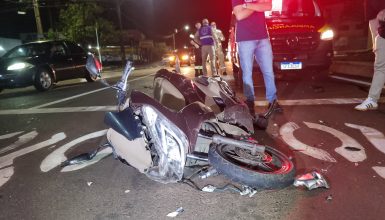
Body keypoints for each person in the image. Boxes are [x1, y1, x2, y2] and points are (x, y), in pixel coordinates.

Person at [231, 0, 278, 115]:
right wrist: (258, 5)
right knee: (247, 73)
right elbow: (239, 15)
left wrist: (247, 5)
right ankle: (250, 101)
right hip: (245, 39)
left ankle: (273, 101)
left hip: (262, 37)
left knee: (268, 72)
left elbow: (268, 6)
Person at [355, 9, 385, 111]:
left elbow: (374, 17)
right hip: (382, 34)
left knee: (380, 69)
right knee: (380, 68)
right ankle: (372, 99)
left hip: (382, 34)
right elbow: (372, 18)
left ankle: (372, 99)